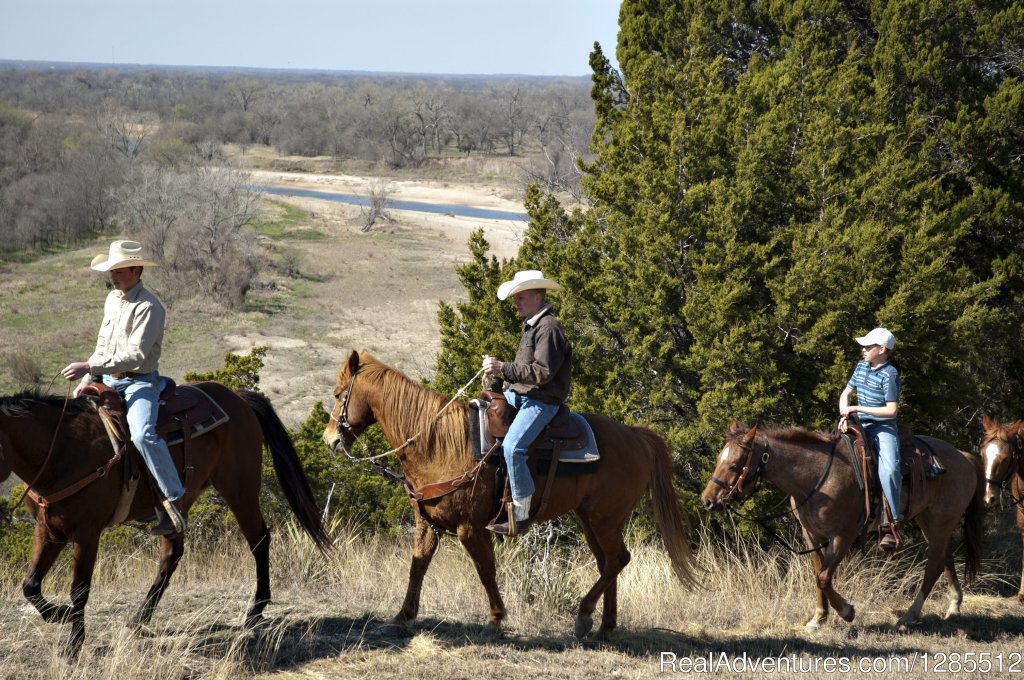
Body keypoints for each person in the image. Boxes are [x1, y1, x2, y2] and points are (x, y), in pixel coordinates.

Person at [60, 240, 186, 536]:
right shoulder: (112, 300)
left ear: (136, 270)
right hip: (107, 378)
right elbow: (102, 345)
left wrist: (89, 368)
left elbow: (136, 355)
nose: (113, 276)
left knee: (142, 434)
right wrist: (87, 381)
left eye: (119, 270)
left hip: (140, 380)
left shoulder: (149, 306)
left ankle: (173, 499)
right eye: (111, 271)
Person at [482, 270, 572, 536]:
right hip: (522, 395)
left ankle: (521, 512)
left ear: (537, 296)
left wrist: (502, 367)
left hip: (542, 401)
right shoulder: (533, 326)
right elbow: (524, 371)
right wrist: (502, 381)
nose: (516, 303)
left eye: (520, 297)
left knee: (513, 447)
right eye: (515, 298)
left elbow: (543, 373)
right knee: (478, 412)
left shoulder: (550, 328)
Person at [838, 327, 900, 549]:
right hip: (857, 424)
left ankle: (892, 520)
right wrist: (844, 414)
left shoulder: (889, 374)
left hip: (882, 428)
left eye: (868, 346)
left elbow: (892, 411)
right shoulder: (861, 366)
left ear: (882, 349)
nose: (863, 350)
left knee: (891, 469)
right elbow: (845, 393)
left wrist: (857, 407)